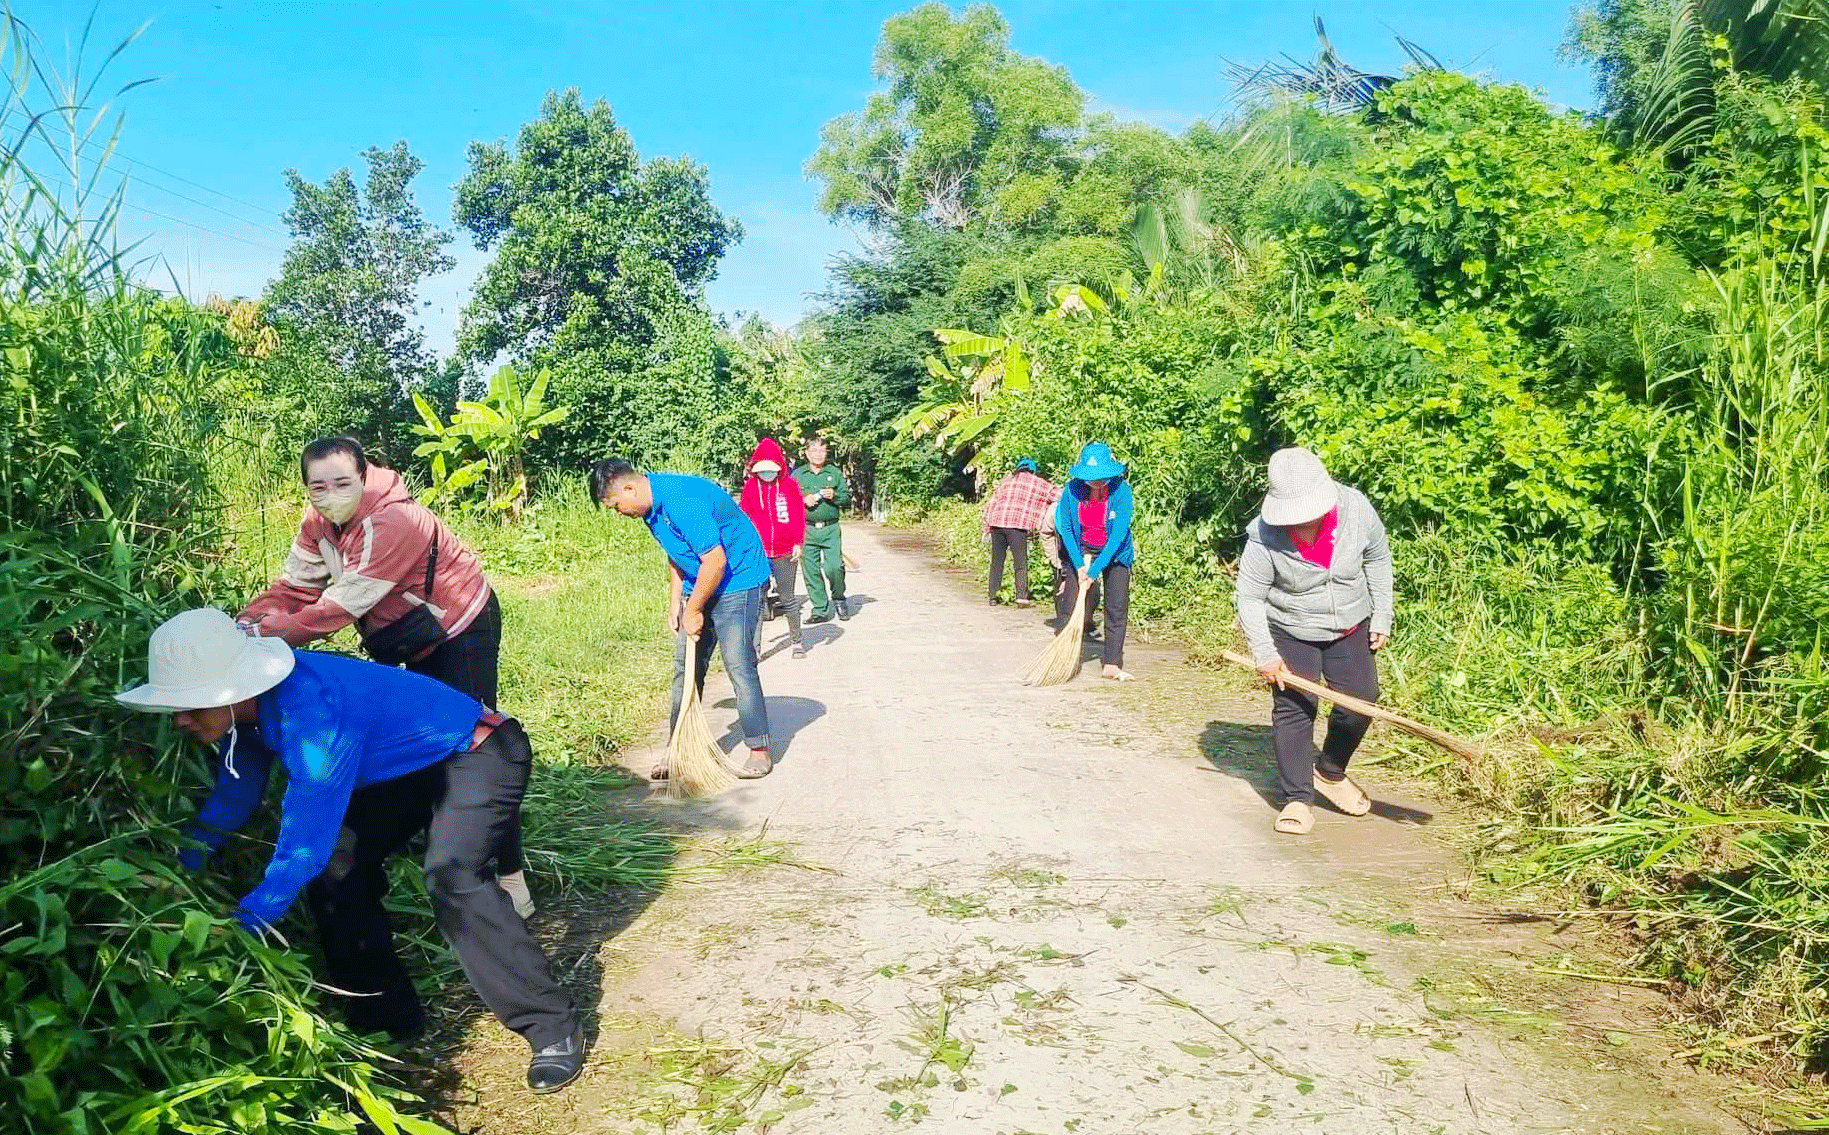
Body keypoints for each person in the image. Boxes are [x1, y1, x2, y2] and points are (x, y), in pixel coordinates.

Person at [116, 608, 584, 1092]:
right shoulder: (247, 715)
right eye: (177, 706)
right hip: (404, 768)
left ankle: (551, 1027)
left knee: (452, 876)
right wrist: (183, 864)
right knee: (338, 873)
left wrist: (250, 920)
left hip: (478, 751)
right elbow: (235, 796)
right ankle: (385, 1025)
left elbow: (305, 842)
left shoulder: (316, 710)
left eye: (192, 705)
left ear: (236, 688)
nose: (181, 720)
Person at [237, 436, 533, 919]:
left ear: (364, 475)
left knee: (473, 740)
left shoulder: (395, 520)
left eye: (341, 482)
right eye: (318, 486)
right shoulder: (319, 524)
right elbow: (295, 587)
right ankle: (436, 836)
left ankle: (508, 876)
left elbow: (338, 606)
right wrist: (249, 620)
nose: (330, 494)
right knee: (422, 738)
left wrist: (264, 637)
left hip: (459, 624)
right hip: (406, 633)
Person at [1234, 447, 1393, 836]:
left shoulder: (1355, 509)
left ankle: (1330, 772)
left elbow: (1377, 556)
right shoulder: (1264, 535)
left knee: (1361, 701)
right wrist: (1265, 654)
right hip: (1290, 628)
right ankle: (1297, 798)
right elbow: (1250, 597)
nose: (1301, 523)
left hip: (1350, 624)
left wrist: (1382, 613)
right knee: (1295, 708)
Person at [591, 459, 775, 780]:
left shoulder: (681, 500)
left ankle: (758, 748)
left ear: (629, 488)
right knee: (686, 670)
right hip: (702, 580)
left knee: (738, 665)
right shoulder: (650, 509)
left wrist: (694, 610)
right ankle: (679, 748)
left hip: (740, 580)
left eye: (617, 505)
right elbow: (678, 553)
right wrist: (676, 602)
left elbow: (715, 562)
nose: (619, 513)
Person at [1054, 443, 1136, 681]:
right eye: (1092, 480)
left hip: (1115, 552)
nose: (1097, 483)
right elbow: (1067, 528)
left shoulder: (1122, 491)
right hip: (1081, 548)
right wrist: (1079, 565)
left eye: (1102, 478)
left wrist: (1097, 569)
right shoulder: (1072, 490)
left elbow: (1119, 533)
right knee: (1070, 603)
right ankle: (1068, 657)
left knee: (1116, 606)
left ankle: (1111, 662)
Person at [737, 438, 807, 659]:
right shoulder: (750, 488)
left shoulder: (790, 487)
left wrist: (798, 542)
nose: (767, 474)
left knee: (788, 598)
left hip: (785, 551)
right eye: (762, 470)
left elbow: (798, 515)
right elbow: (744, 518)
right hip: (758, 553)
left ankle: (797, 641)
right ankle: (754, 649)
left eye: (771, 470)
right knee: (757, 600)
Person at [980, 458, 1059, 608]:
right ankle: (1022, 597)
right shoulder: (1037, 482)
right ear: (1033, 470)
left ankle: (993, 596)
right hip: (1016, 525)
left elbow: (992, 503)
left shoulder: (1006, 481)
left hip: (997, 522)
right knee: (1020, 562)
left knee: (997, 561)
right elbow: (1058, 495)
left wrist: (987, 526)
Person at [793, 436, 851, 623]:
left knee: (834, 567)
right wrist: (802, 499)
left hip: (830, 529)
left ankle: (839, 598)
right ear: (807, 453)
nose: (818, 454)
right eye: (814, 450)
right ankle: (820, 609)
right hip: (807, 529)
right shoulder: (798, 475)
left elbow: (846, 499)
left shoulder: (833, 473)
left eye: (822, 450)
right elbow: (787, 499)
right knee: (811, 570)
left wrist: (834, 495)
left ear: (827, 453)